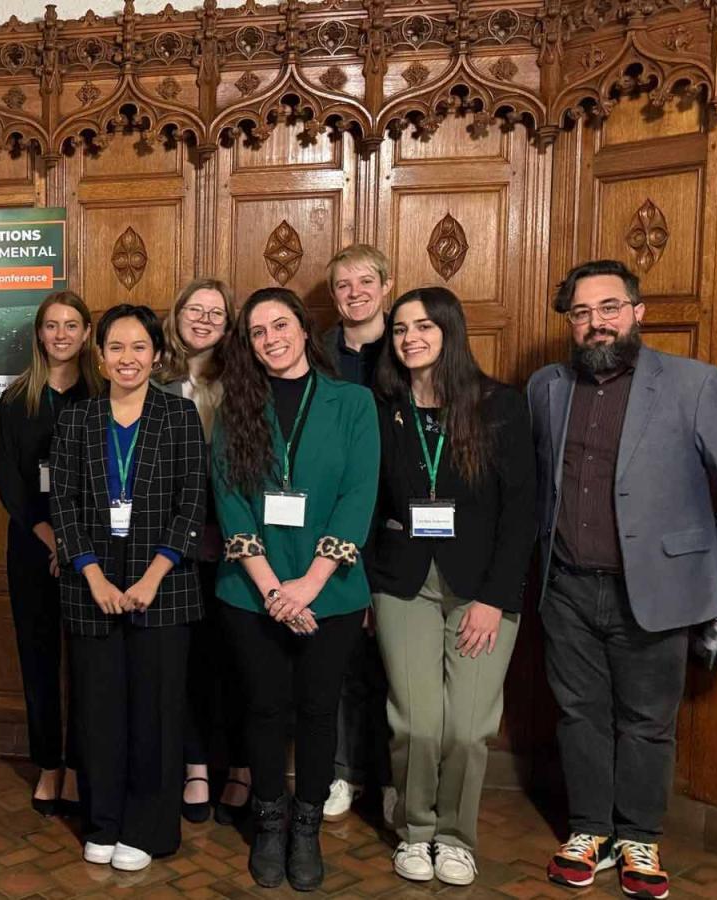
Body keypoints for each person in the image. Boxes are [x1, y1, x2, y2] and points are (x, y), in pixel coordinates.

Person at [528, 260, 717, 899]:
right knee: (579, 714)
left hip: (657, 588)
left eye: (608, 308)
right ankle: (589, 831)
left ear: (637, 312)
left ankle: (639, 837)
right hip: (568, 585)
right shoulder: (546, 387)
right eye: (581, 313)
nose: (595, 323)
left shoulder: (694, 384)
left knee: (646, 721)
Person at [211, 287, 379, 892]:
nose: (270, 339)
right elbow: (229, 502)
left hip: (330, 592)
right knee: (263, 709)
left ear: (305, 330)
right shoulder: (237, 406)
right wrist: (272, 588)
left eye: (279, 325)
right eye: (257, 332)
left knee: (315, 710)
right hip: (249, 590)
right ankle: (270, 821)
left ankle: (306, 827)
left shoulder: (352, 403)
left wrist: (308, 584)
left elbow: (359, 497)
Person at [367, 288, 536, 885]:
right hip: (403, 584)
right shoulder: (381, 406)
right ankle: (415, 830)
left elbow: (522, 513)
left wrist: (494, 599)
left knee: (467, 727)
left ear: (450, 331)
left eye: (424, 326)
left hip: (481, 589)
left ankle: (456, 837)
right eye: (400, 328)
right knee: (416, 720)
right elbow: (368, 502)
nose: (410, 337)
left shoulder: (500, 406)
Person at [50, 304, 207, 873]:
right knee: (98, 712)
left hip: (162, 587)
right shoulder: (76, 419)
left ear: (158, 355)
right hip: (91, 586)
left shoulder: (180, 415)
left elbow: (193, 501)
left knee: (156, 714)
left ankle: (146, 827)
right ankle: (103, 821)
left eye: (140, 347)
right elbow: (61, 503)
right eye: (116, 347)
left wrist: (151, 576)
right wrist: (92, 574)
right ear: (100, 354)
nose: (127, 358)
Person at [0, 291, 100, 817]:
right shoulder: (16, 399)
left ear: (86, 333)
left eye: (71, 325)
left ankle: (81, 763)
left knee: (88, 660)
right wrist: (51, 539)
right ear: (39, 334)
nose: (61, 334)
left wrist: (77, 544)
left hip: (96, 552)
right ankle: (49, 764)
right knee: (38, 660)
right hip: (33, 546)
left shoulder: (102, 395)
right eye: (51, 326)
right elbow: (11, 483)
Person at [155, 278, 250, 826]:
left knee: (239, 657)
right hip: (174, 545)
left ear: (229, 323)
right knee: (187, 660)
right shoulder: (155, 378)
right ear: (179, 312)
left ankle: (238, 766)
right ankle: (194, 764)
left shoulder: (244, 381)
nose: (206, 319)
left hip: (239, 543)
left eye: (217, 312)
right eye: (196, 308)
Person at [318, 243, 397, 824]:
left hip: (398, 519)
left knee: (397, 658)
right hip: (333, 516)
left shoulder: (410, 340)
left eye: (364, 282)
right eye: (343, 285)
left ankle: (391, 779)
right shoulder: (318, 351)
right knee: (343, 656)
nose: (354, 293)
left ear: (385, 286)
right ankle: (343, 772)